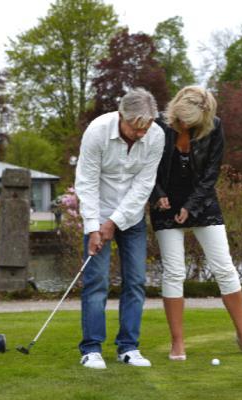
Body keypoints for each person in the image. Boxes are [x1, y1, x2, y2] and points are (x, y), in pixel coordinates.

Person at [149, 86, 242, 360]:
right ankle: (178, 342)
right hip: (165, 205)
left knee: (224, 268)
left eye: (187, 120)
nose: (182, 124)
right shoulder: (158, 127)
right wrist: (158, 195)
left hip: (202, 202)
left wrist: (191, 206)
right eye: (178, 118)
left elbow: (211, 174)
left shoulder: (215, 128)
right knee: (174, 273)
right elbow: (146, 168)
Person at [75, 88, 165, 369]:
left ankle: (128, 348)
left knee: (136, 281)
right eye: (135, 127)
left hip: (132, 218)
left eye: (146, 127)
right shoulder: (97, 131)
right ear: (121, 115)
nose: (141, 133)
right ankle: (91, 349)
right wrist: (94, 227)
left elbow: (144, 185)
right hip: (97, 213)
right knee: (96, 282)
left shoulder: (156, 136)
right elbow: (87, 182)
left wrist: (114, 222)